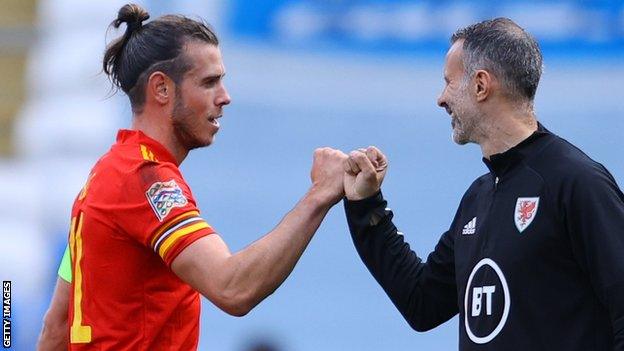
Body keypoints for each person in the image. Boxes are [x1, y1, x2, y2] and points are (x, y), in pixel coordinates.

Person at [36, 4, 347, 350]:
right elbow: (233, 288)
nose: (225, 97)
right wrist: (319, 195)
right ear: (162, 89)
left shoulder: (105, 175)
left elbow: (56, 326)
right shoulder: (146, 180)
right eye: (209, 82)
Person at [342, 18, 624, 350]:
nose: (440, 99)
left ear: (480, 85)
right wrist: (366, 204)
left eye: (448, 82)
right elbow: (422, 302)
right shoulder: (479, 198)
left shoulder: (576, 181)